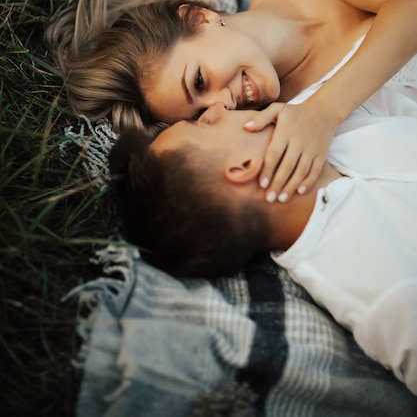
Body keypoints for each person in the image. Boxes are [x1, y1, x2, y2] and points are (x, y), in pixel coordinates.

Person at [46, 0, 417, 203]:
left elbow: (410, 3)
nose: (223, 105)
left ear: (199, 17)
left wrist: (325, 111)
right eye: (200, 115)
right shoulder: (289, 122)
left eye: (199, 82)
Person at [108, 94, 417, 396]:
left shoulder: (316, 116)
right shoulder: (386, 295)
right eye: (203, 125)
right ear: (243, 167)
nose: (215, 108)